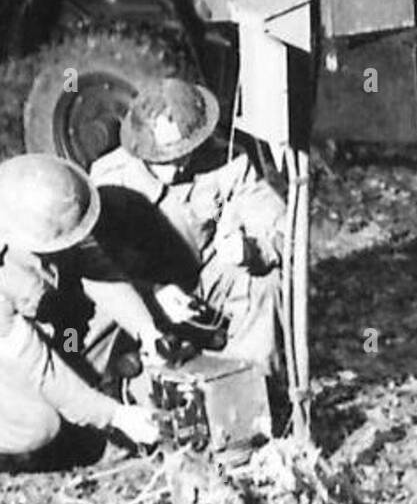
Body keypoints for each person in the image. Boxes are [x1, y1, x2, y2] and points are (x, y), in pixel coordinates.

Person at [0, 154, 160, 487]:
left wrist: (148, 330)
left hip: (41, 329)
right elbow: (38, 369)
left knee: (108, 321)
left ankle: (87, 395)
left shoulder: (42, 221)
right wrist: (115, 417)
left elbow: (98, 272)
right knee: (39, 424)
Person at [89, 78, 285, 371]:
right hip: (143, 297)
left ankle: (248, 381)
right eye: (163, 161)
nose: (177, 166)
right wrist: (151, 291)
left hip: (206, 284)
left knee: (265, 279)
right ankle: (104, 393)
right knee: (99, 309)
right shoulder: (109, 179)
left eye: (184, 154)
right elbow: (95, 268)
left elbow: (279, 228)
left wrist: (250, 250)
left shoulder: (227, 161)